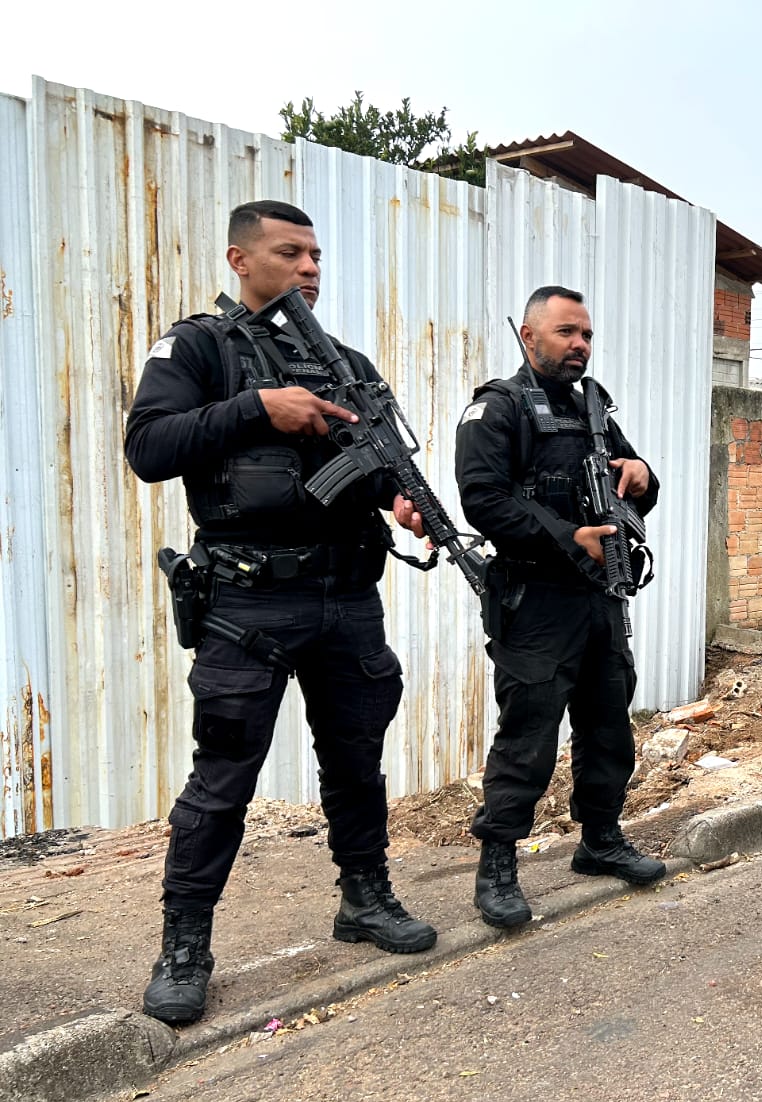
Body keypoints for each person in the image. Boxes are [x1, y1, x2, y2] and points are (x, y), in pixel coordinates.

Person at [125, 200, 437, 1023]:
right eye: (291, 253)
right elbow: (147, 448)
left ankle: (365, 897)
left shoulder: (345, 362)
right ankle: (184, 946)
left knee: (356, 761)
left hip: (347, 599)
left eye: (316, 255)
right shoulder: (197, 347)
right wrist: (259, 409)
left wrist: (401, 502)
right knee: (223, 778)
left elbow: (376, 469)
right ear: (240, 260)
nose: (309, 268)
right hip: (248, 604)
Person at [454, 285, 664, 928]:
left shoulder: (593, 407)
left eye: (587, 335)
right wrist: (568, 537)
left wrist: (642, 474)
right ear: (529, 336)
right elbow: (483, 500)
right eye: (566, 332)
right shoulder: (497, 408)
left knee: (608, 730)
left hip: (601, 597)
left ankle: (600, 840)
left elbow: (633, 482)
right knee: (528, 738)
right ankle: (498, 865)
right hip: (537, 601)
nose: (580, 345)